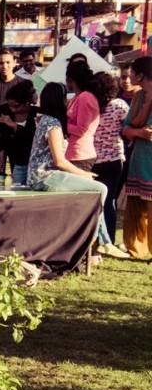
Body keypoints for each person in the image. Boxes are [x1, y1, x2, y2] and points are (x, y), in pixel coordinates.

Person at [27, 82, 129, 259]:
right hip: (44, 176)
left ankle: (102, 241)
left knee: (94, 191)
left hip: (45, 174)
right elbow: (59, 161)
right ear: (59, 100)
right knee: (100, 189)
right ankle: (101, 241)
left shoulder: (47, 120)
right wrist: (84, 174)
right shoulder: (53, 124)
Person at [121, 56, 152, 258]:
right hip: (139, 156)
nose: (130, 77)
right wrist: (139, 133)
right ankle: (136, 247)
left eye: (132, 73)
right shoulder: (140, 97)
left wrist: (136, 131)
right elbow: (126, 127)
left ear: (140, 75)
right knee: (136, 206)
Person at [91, 72, 129, 238]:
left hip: (92, 159)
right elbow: (128, 127)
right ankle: (110, 239)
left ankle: (97, 238)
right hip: (114, 158)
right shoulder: (120, 105)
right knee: (110, 200)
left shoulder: (91, 105)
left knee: (96, 200)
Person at [64, 61, 105, 173]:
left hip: (80, 155)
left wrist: (62, 124)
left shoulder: (85, 97)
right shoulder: (77, 96)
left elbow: (81, 129)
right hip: (72, 152)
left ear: (71, 80)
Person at [0, 80, 38, 185]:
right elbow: (3, 140)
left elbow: (33, 137)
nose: (13, 109)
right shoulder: (6, 113)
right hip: (15, 163)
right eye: (10, 106)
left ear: (27, 102)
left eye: (17, 106)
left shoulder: (36, 114)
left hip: (34, 163)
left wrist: (15, 126)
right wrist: (1, 161)